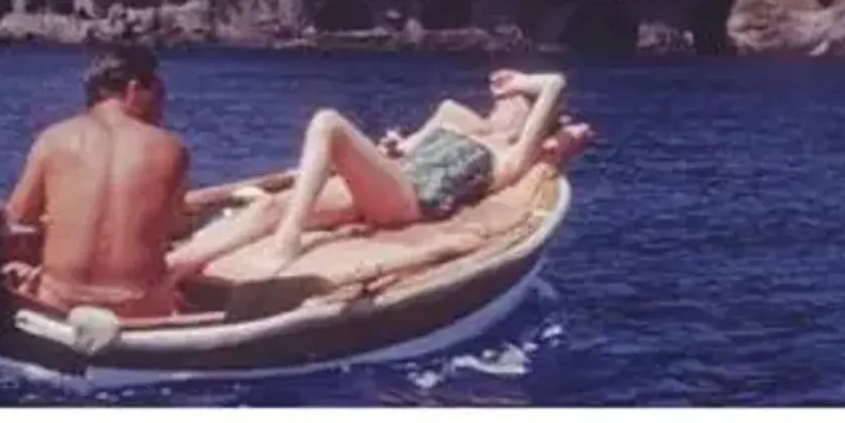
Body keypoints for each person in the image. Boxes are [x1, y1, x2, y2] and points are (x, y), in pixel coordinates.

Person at [167, 69, 590, 280]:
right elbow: (407, 148)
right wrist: (392, 148)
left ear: (532, 118)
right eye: (504, 100)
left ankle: (287, 243)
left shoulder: (509, 155)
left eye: (519, 103)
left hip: (408, 202)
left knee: (328, 122)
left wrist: (526, 81)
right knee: (271, 206)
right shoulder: (453, 117)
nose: (506, 104)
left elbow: (555, 83)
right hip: (387, 184)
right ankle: (169, 271)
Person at [3, 43, 193, 317]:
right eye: (159, 92)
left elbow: (18, 221)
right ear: (134, 89)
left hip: (59, 303)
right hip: (137, 308)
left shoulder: (53, 139)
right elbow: (177, 227)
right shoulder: (171, 147)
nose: (162, 103)